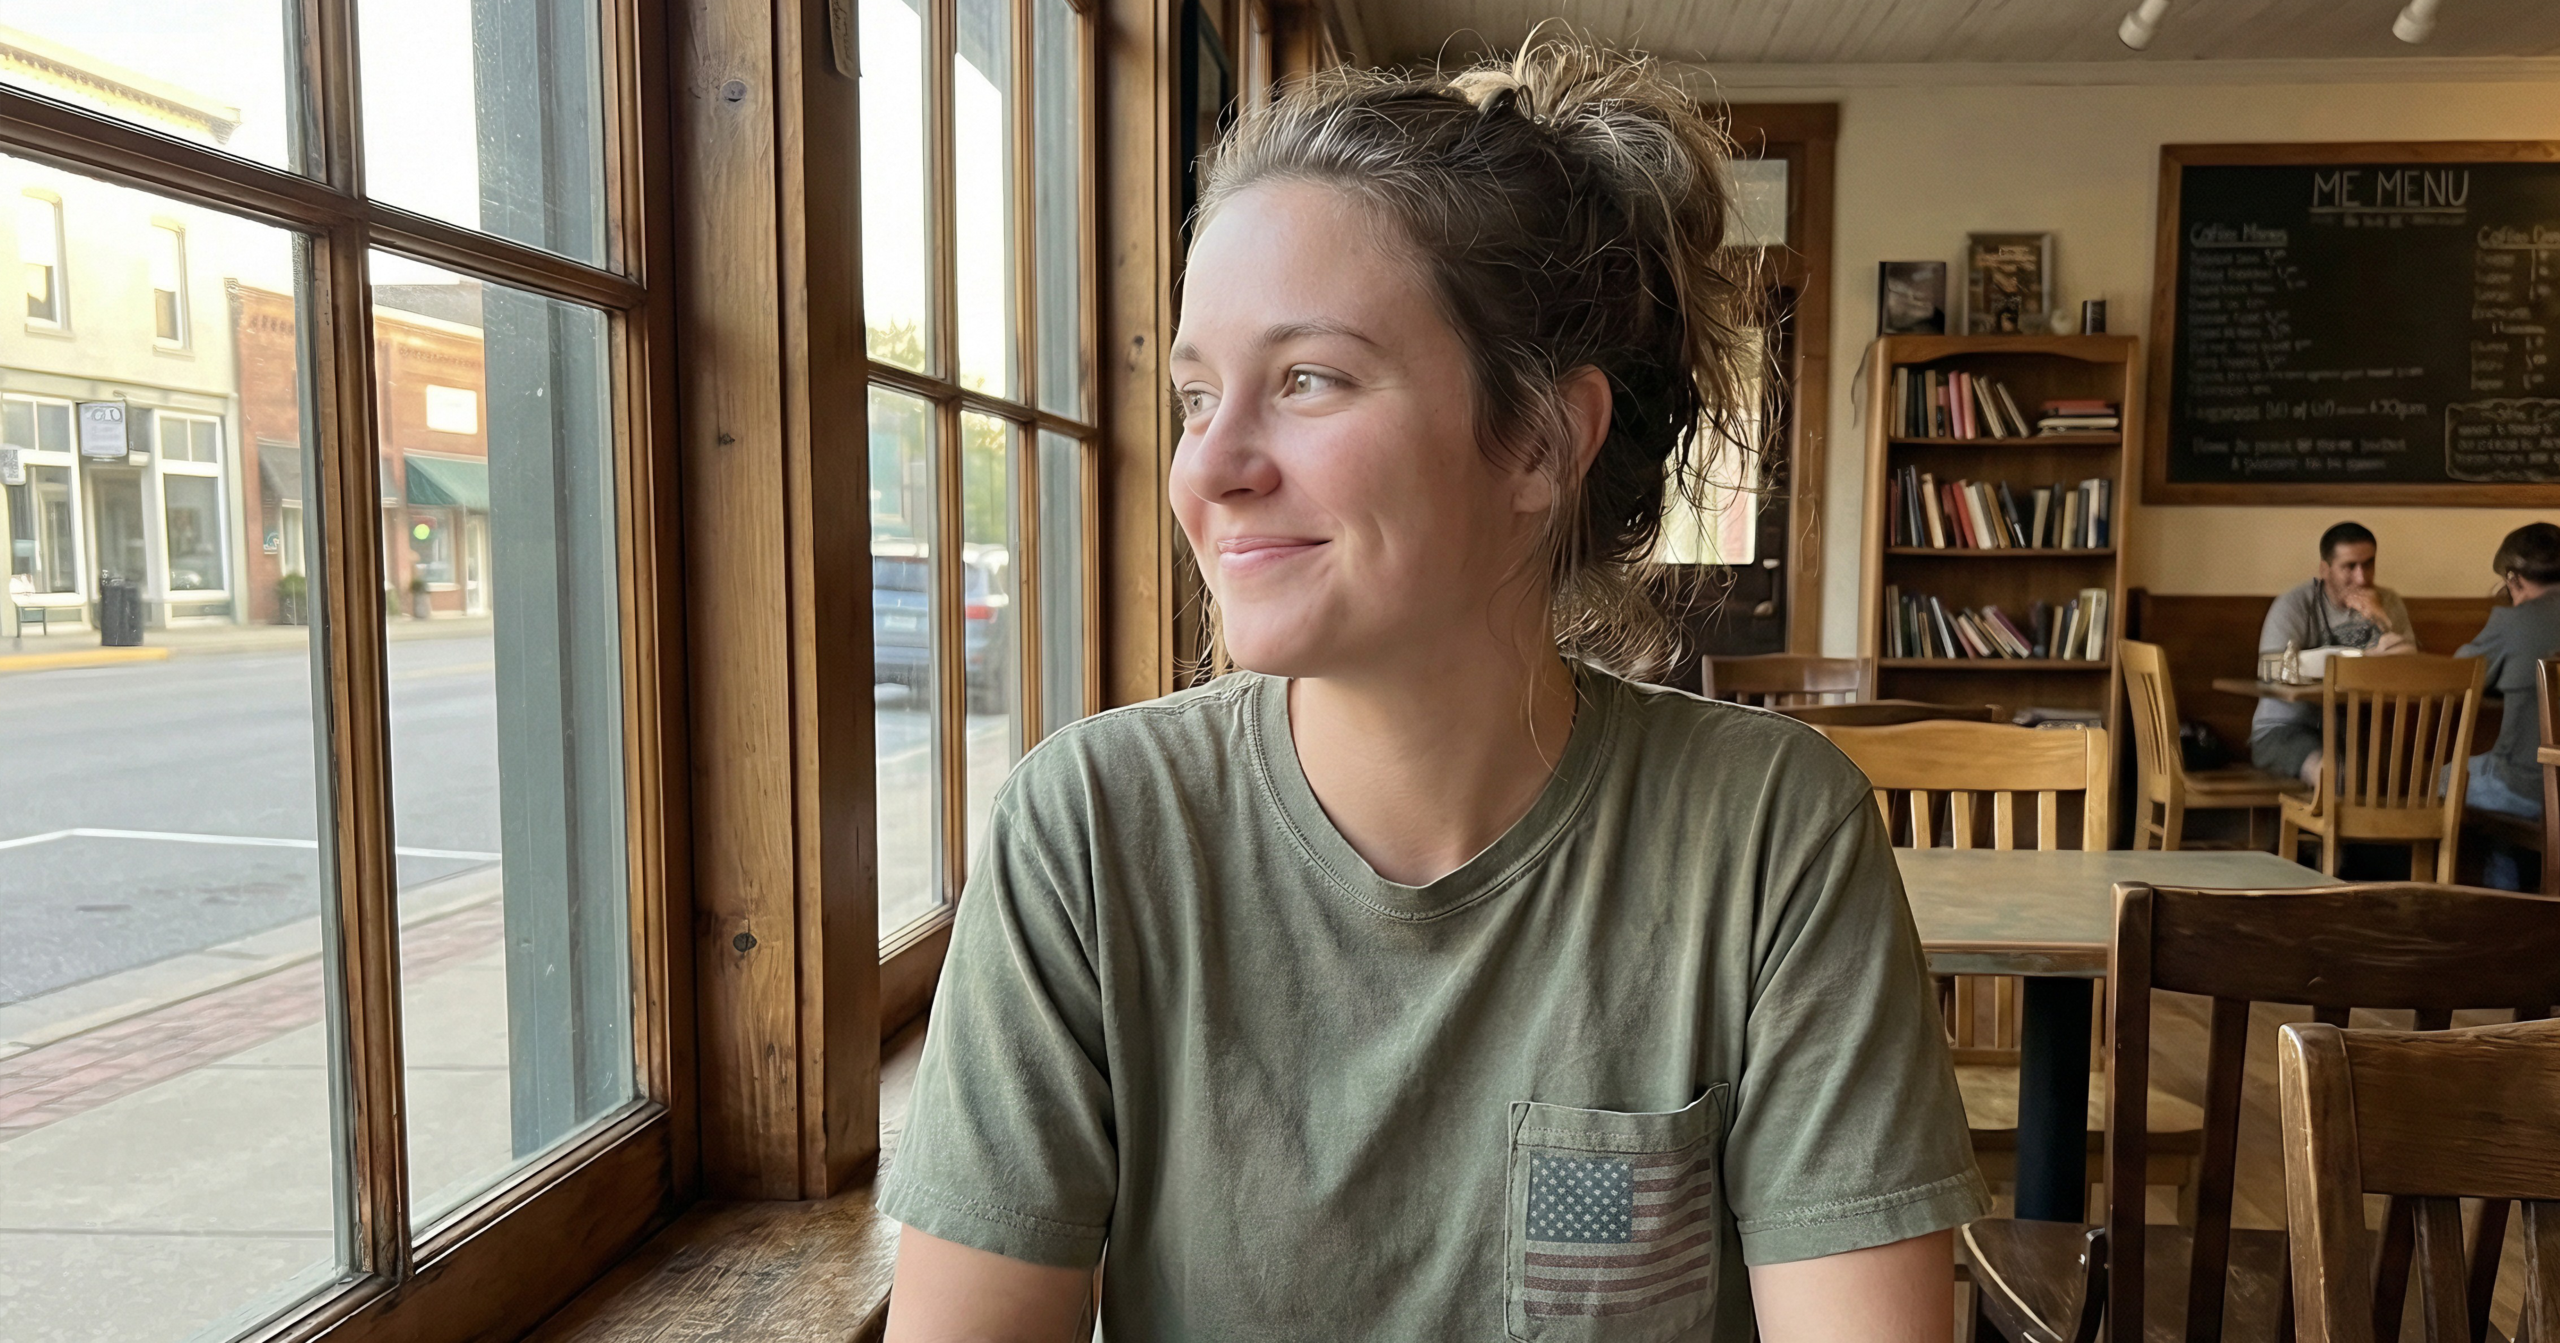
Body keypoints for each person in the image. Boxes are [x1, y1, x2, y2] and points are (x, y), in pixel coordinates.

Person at [877, 41, 1984, 1343]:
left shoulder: (1769, 835)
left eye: (1308, 378)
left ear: (1539, 441)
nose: (1209, 469)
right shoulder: (1089, 831)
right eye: (1194, 396)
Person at [2251, 521, 2417, 787]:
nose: (2361, 578)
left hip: (2356, 731)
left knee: (2399, 777)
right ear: (2325, 569)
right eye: (2349, 567)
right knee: (2334, 775)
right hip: (2286, 729)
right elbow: (2271, 669)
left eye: (2368, 564)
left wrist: (2382, 620)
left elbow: (2414, 666)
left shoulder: (2387, 602)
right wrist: (2366, 661)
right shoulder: (2295, 604)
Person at [2454, 523, 2560, 889]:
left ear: (2513, 578)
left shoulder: (2513, 621)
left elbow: (2458, 674)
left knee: (2437, 779)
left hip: (2530, 787)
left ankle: (2498, 907)